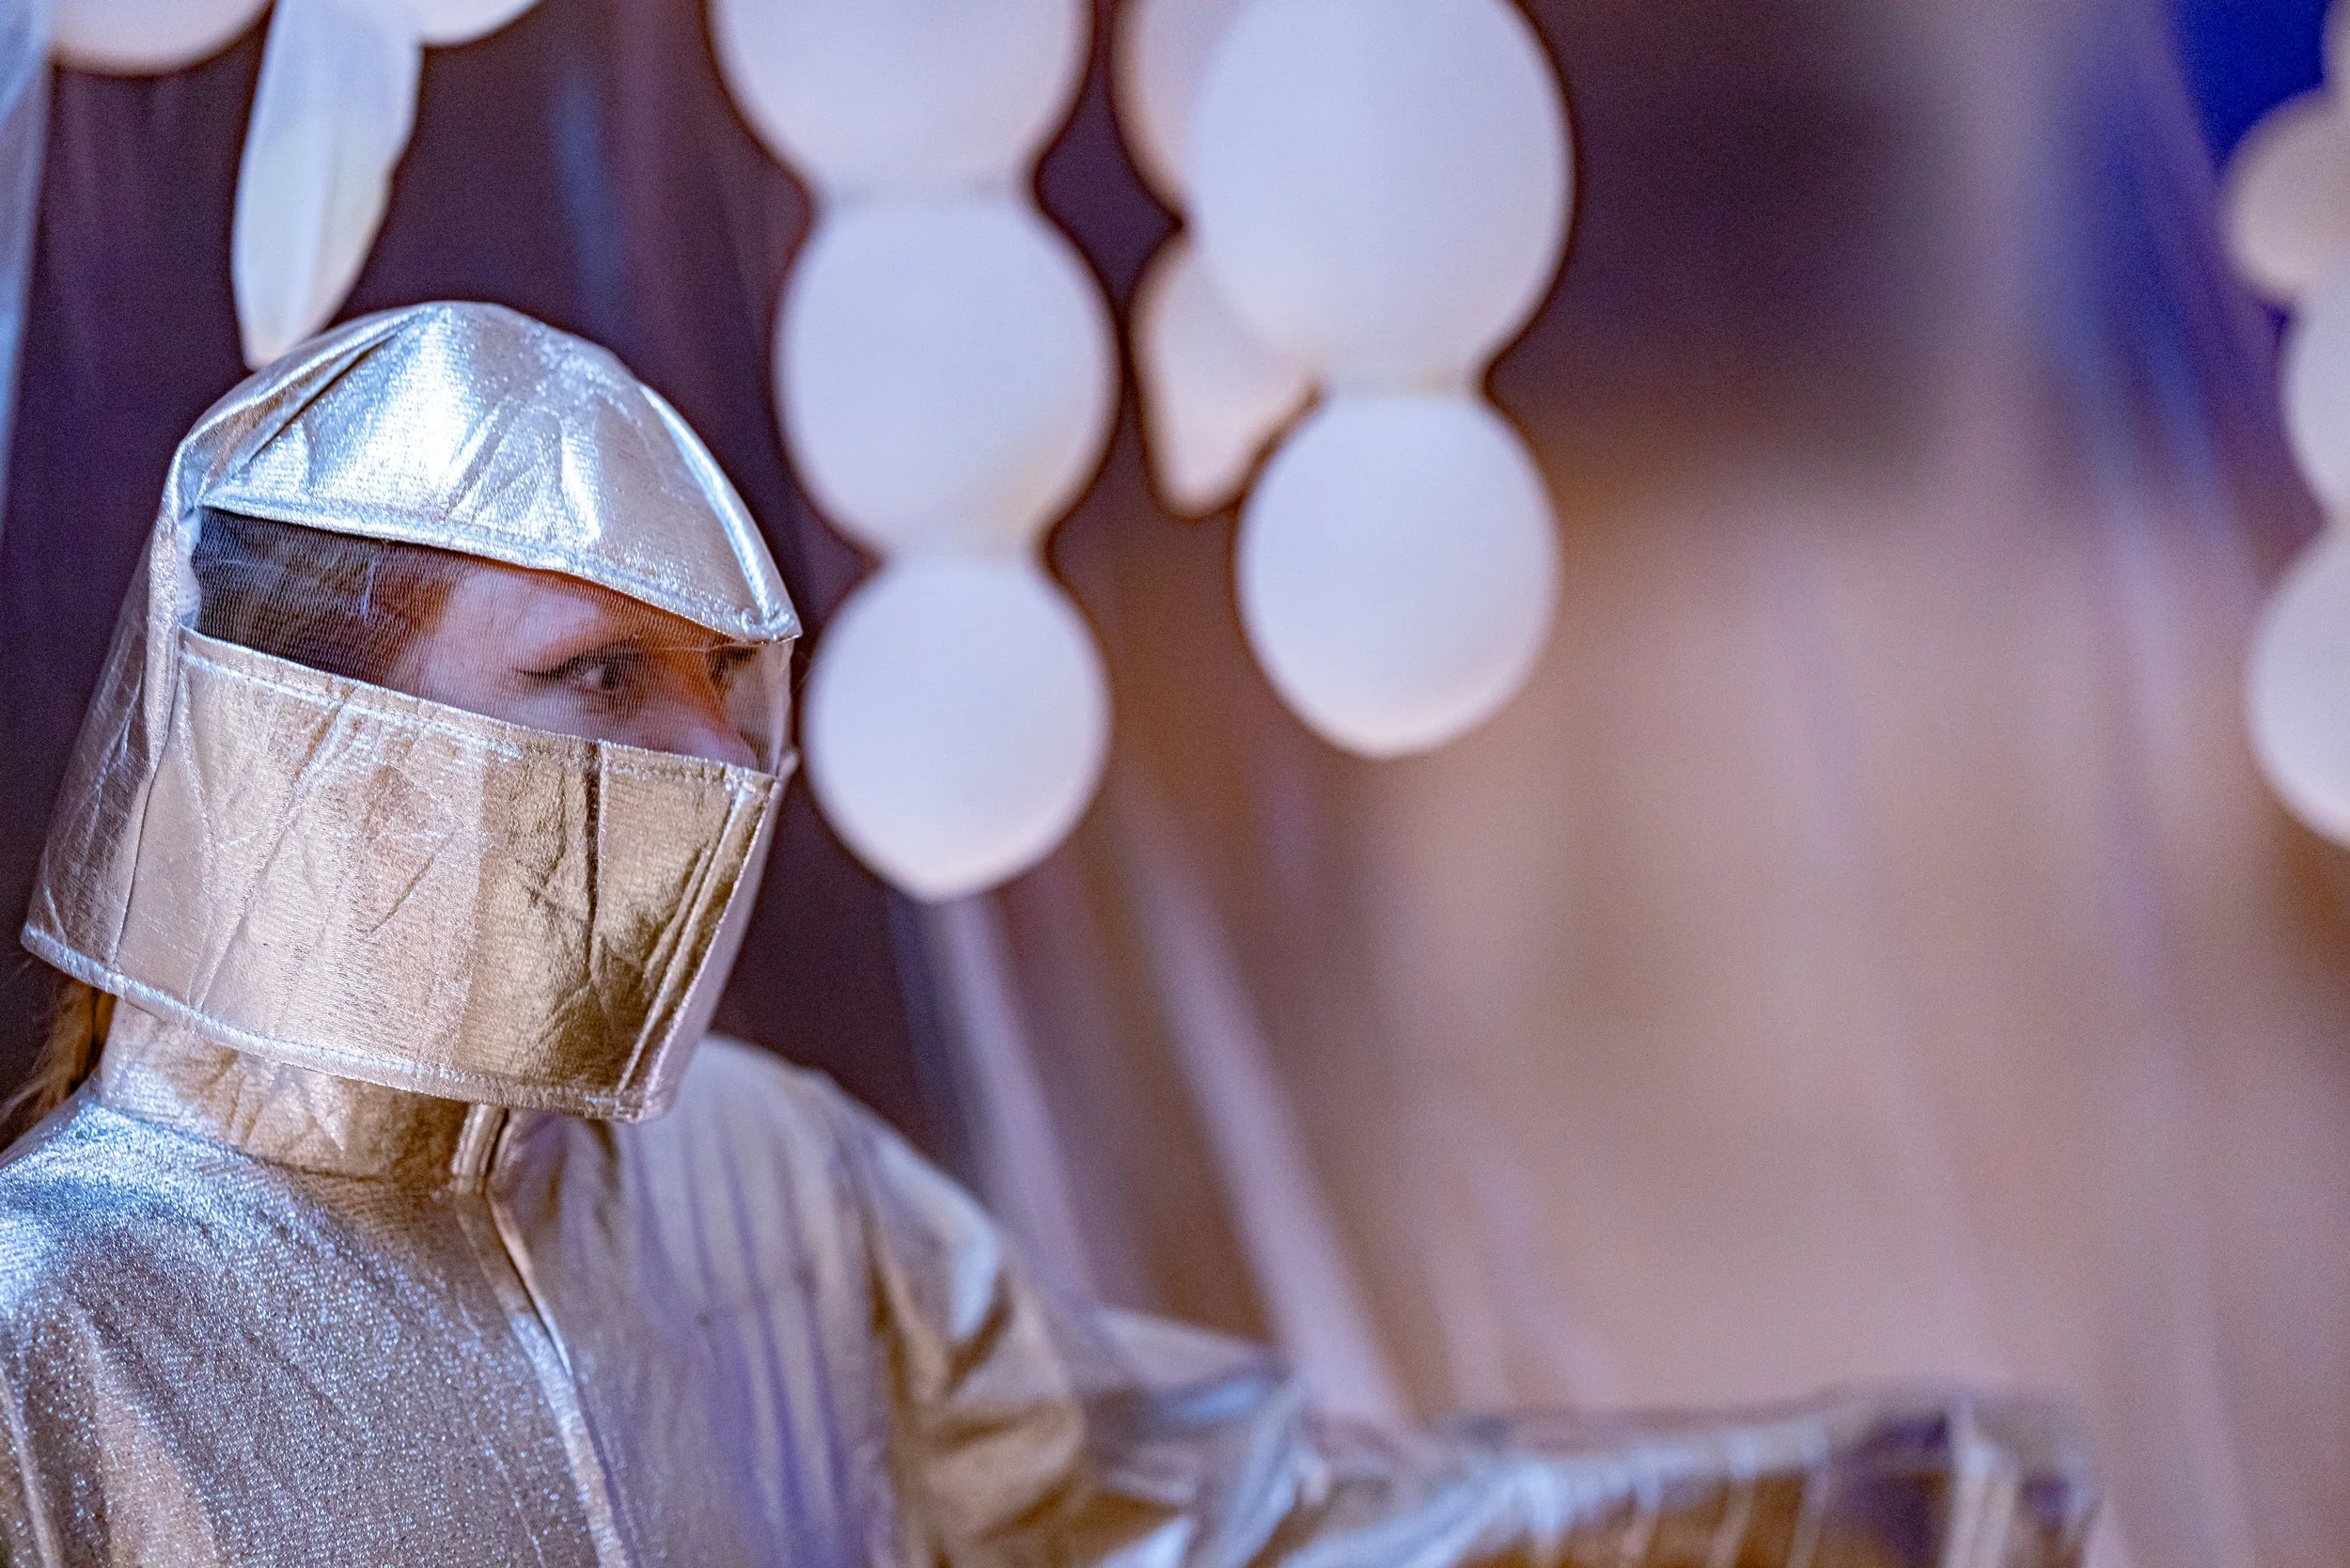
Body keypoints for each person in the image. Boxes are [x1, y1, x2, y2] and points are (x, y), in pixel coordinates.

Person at [0, 302, 2093, 1566]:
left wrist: (1843, 1506)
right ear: (315, 745)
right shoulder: (47, 1339)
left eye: (732, 690)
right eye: (602, 681)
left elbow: (1219, 1531)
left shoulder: (762, 1193)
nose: (711, 765)